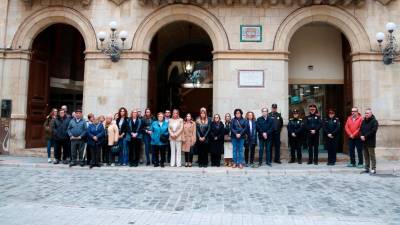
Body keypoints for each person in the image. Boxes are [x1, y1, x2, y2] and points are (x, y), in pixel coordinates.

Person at [360, 108, 379, 174]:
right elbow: (361, 129)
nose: (366, 114)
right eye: (365, 113)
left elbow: (373, 131)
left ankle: (373, 168)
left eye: (367, 113)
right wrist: (361, 135)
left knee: (372, 155)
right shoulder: (363, 121)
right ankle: (367, 168)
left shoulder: (374, 121)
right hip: (364, 141)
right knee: (366, 156)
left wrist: (365, 136)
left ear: (371, 113)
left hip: (370, 141)